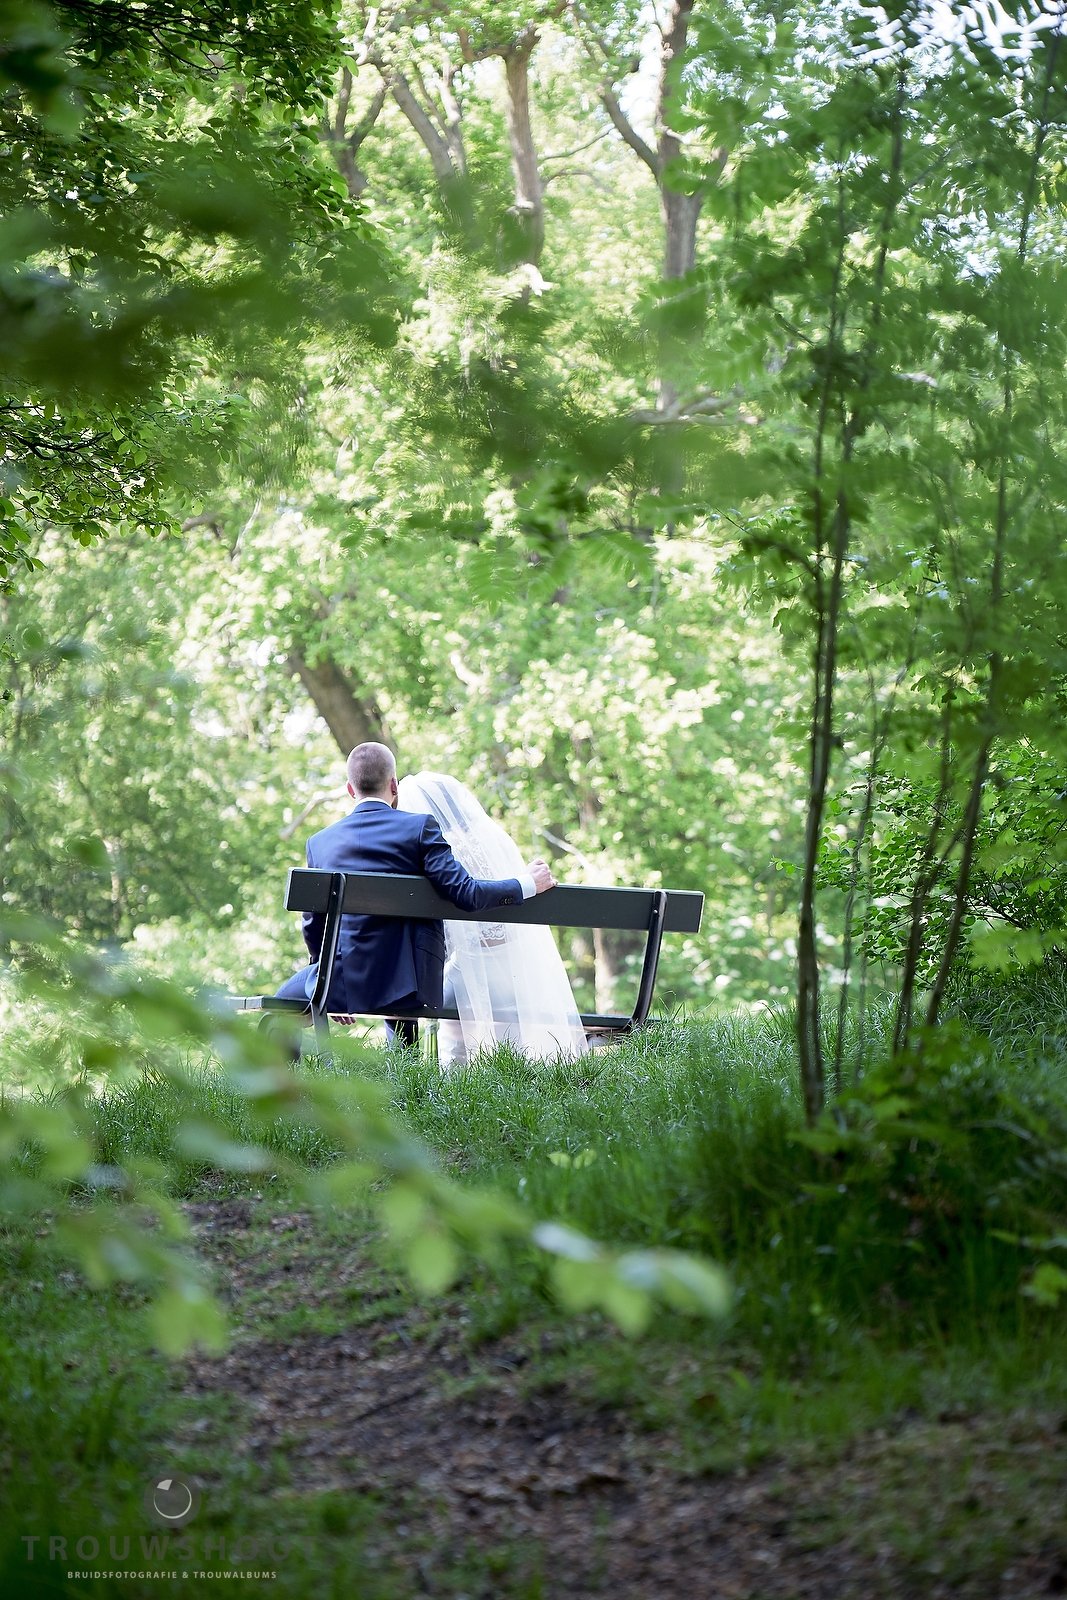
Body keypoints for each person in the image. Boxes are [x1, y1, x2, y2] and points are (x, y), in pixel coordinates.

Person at [275, 743, 555, 1047]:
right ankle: (406, 1081)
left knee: (278, 1009)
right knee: (399, 993)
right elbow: (465, 893)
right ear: (394, 785)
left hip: (344, 980)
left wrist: (324, 975)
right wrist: (527, 883)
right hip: (409, 983)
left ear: (349, 789)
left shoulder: (321, 842)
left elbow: (313, 924)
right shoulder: (419, 828)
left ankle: (284, 1088)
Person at [397, 771, 590, 1066]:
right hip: (519, 969)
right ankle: (515, 1076)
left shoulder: (438, 856)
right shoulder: (494, 840)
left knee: (425, 999)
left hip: (473, 969)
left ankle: (451, 1082)